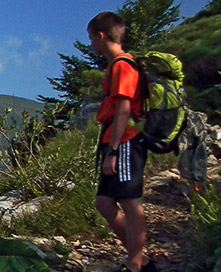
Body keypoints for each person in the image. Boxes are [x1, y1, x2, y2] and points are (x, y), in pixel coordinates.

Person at [88, 11, 156, 272]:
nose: (91, 43)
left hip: (125, 141)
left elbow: (124, 109)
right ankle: (139, 257)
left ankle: (135, 264)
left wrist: (113, 151)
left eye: (91, 38)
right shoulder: (116, 65)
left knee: (130, 203)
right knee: (104, 203)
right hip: (115, 140)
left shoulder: (122, 65)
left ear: (101, 36)